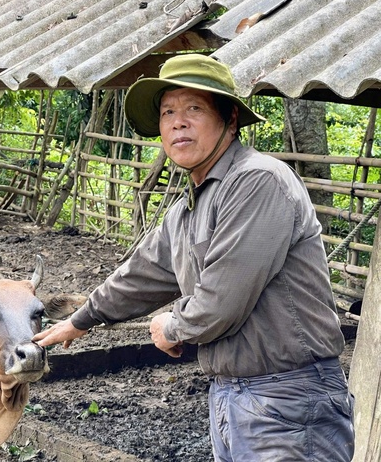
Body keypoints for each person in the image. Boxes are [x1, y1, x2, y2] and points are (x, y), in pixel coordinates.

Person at [33, 54, 355, 461]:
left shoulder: (256, 182)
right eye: (168, 112)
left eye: (194, 109)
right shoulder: (187, 207)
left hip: (288, 398)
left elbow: (222, 300)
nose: (177, 122)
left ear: (230, 118)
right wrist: (80, 322)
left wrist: (173, 326)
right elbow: (142, 274)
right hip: (232, 395)